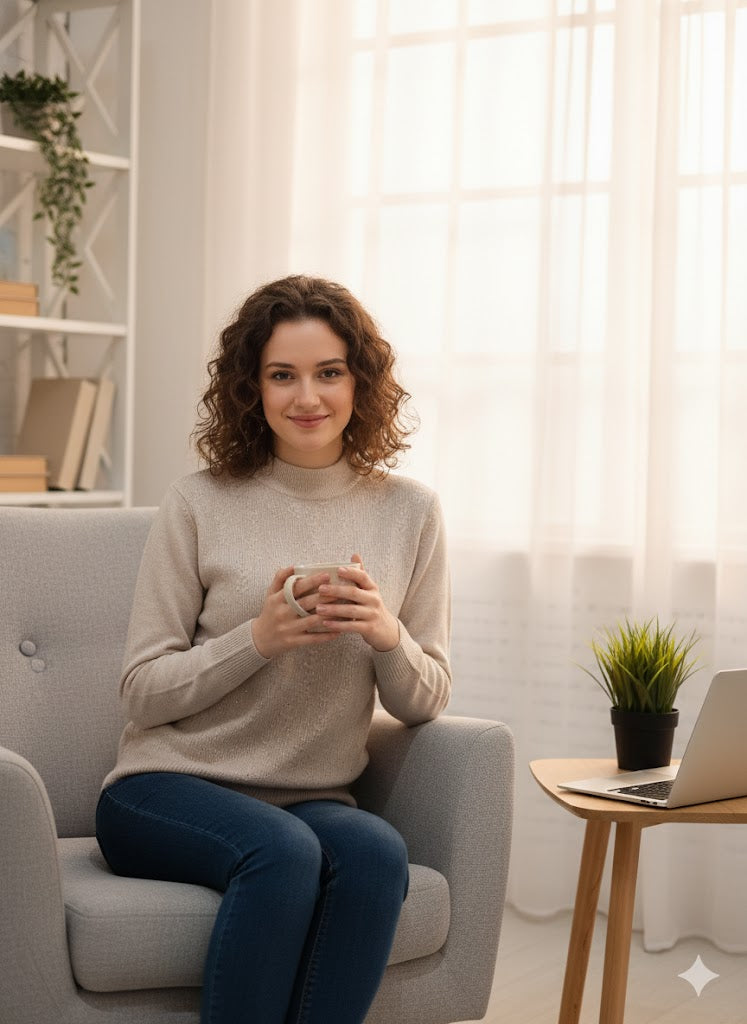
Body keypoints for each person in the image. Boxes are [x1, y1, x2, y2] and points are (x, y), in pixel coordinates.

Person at [95, 274, 452, 1024]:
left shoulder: (409, 511)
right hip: (164, 789)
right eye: (281, 376)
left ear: (360, 381)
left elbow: (423, 700)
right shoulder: (198, 502)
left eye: (328, 372)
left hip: (311, 797)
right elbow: (141, 689)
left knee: (376, 854)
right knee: (282, 856)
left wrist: (386, 635)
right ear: (249, 389)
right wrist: (257, 639)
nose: (307, 397)